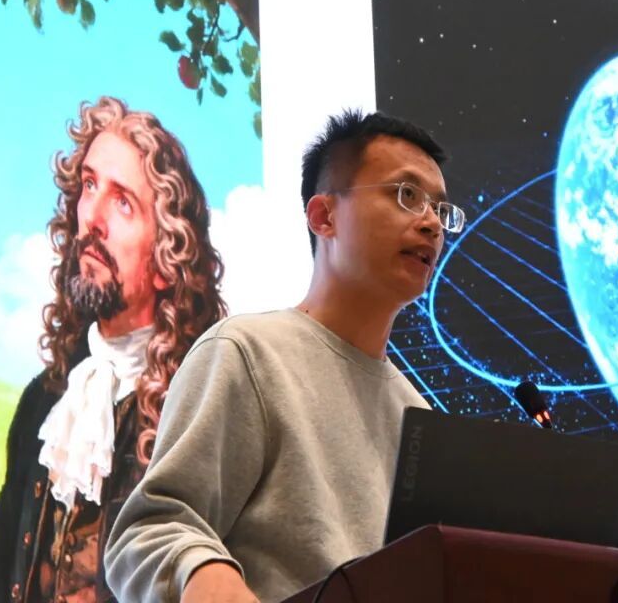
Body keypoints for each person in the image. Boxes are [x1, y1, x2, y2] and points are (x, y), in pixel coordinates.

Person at [104, 110, 466, 602]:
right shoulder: (247, 354)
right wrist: (206, 575)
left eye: (441, 211)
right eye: (406, 195)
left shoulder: (418, 416)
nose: (431, 224)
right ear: (323, 216)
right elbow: (150, 531)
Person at [0, 96, 225, 603]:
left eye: (123, 203)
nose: (92, 218)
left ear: (168, 256)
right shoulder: (44, 402)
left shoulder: (194, 416)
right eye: (89, 186)